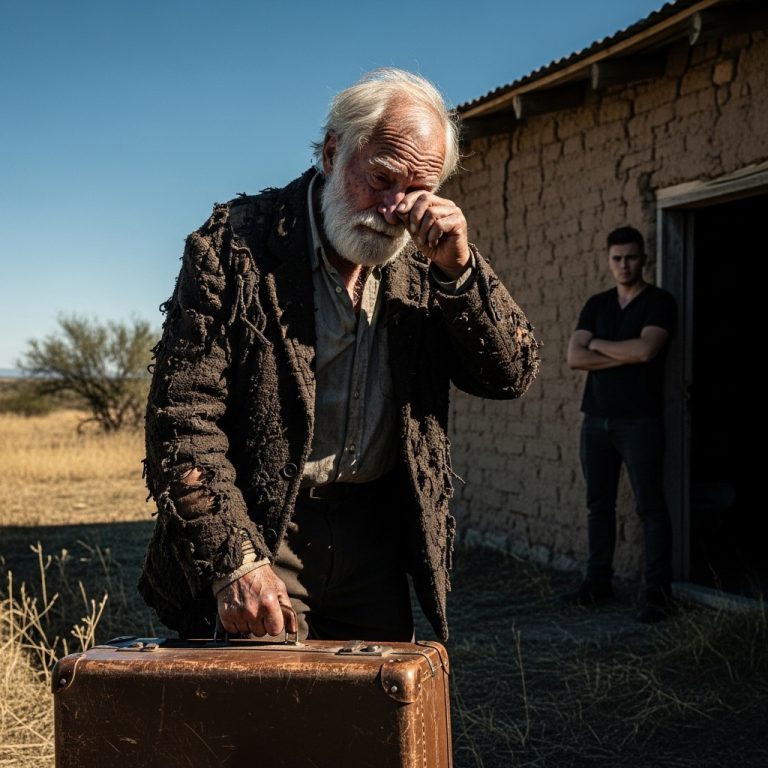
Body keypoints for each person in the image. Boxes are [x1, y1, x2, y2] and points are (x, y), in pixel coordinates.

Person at [138, 68, 540, 643]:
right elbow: (182, 419)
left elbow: (510, 374)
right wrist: (237, 560)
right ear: (332, 152)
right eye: (380, 178)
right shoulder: (236, 246)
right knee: (267, 717)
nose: (394, 208)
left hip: (375, 536)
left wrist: (460, 270)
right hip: (263, 526)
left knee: (372, 715)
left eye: (417, 190)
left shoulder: (428, 260)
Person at [563, 226, 676, 624]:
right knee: (599, 506)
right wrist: (621, 354)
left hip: (640, 422)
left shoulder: (660, 302)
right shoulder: (597, 304)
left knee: (651, 507)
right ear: (608, 260)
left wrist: (599, 347)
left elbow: (646, 350)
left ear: (643, 258)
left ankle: (658, 594)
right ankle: (598, 583)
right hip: (596, 420)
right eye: (617, 258)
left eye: (630, 257)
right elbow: (575, 358)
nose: (624, 265)